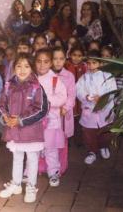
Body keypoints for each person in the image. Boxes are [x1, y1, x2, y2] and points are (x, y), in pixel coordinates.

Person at [0, 53, 48, 203]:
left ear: (32, 68)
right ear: (14, 68)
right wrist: (6, 116)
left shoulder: (37, 87)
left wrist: (20, 120)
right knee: (17, 157)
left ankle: (31, 187)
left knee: (32, 158)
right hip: (14, 130)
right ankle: (16, 184)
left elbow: (42, 110)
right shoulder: (8, 86)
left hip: (30, 130)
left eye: (26, 66)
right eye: (19, 66)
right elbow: (1, 103)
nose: (22, 69)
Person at [76, 50, 117, 164]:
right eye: (89, 63)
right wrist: (86, 96)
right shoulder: (83, 78)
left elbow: (112, 91)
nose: (91, 66)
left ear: (100, 63)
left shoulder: (107, 76)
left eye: (94, 63)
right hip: (89, 110)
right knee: (89, 132)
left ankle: (104, 146)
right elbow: (78, 91)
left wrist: (103, 98)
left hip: (104, 109)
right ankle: (92, 151)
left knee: (105, 131)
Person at [35, 48, 67, 187]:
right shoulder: (32, 78)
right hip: (35, 122)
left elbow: (62, 97)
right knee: (34, 147)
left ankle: (53, 171)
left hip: (51, 121)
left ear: (50, 64)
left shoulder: (55, 80)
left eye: (46, 62)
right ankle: (30, 169)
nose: (42, 65)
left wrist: (48, 102)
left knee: (50, 148)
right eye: (39, 61)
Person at [51, 46, 76, 174]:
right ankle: (49, 166)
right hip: (50, 113)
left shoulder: (69, 76)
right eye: (55, 58)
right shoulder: (47, 74)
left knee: (62, 141)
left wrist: (66, 107)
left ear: (65, 59)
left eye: (61, 59)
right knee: (50, 140)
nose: (58, 61)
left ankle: (61, 166)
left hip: (63, 113)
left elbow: (72, 95)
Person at [64, 45, 87, 146]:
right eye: (74, 55)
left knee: (79, 121)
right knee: (68, 121)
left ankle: (79, 141)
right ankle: (66, 140)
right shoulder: (66, 66)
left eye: (79, 55)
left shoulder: (85, 67)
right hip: (69, 98)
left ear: (83, 56)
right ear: (69, 55)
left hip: (80, 99)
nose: (76, 58)